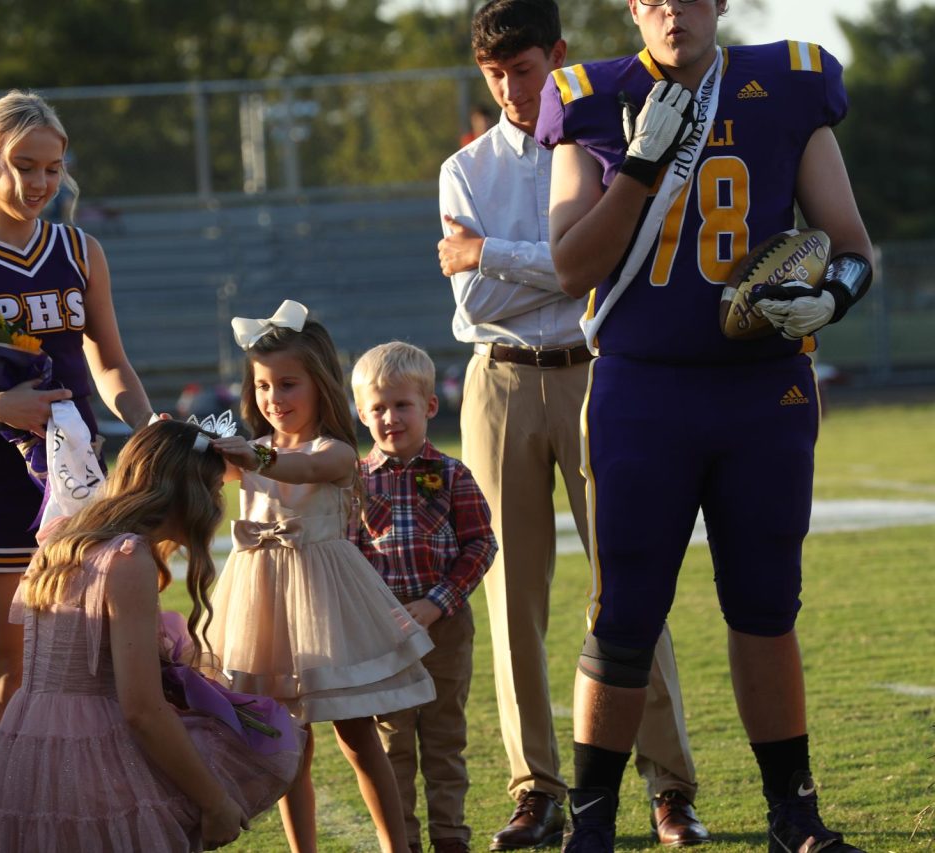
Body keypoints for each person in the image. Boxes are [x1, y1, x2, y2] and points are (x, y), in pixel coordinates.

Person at [537, 1, 875, 850]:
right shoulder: (592, 96)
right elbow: (570, 262)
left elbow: (852, 247)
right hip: (644, 389)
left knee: (766, 605)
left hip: (764, 390)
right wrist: (641, 165)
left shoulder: (787, 85)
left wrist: (829, 296)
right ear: (630, 6)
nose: (671, 12)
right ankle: (592, 823)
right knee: (625, 612)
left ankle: (792, 812)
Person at [437, 1, 707, 848]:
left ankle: (670, 785)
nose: (514, 90)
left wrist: (509, 255)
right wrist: (558, 264)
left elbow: (607, 263)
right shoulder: (464, 169)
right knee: (512, 594)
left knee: (631, 582)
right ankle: (536, 788)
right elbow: (475, 295)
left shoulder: (610, 140)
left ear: (559, 55)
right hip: (500, 383)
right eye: (496, 76)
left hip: (603, 370)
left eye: (525, 69)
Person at [0, 90, 154, 799]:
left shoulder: (79, 249)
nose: (40, 183)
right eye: (23, 166)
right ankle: (0, 823)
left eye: (52, 168)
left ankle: (76, 806)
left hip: (78, 479)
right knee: (6, 670)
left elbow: (108, 362)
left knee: (89, 664)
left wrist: (150, 425)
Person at [0, 419, 304, 852]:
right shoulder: (127, 558)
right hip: (91, 746)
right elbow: (142, 711)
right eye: (212, 490)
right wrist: (215, 801)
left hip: (33, 739)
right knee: (263, 746)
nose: (215, 504)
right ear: (185, 493)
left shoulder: (63, 539)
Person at [205, 300, 435, 853]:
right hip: (260, 603)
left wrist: (252, 460)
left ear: (319, 385)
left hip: (325, 603)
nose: (273, 399)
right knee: (289, 743)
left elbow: (304, 469)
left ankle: (395, 846)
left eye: (288, 385)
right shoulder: (255, 448)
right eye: (263, 387)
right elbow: (219, 469)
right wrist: (188, 445)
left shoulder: (334, 450)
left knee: (357, 736)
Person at [348, 341, 497, 853]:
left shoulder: (453, 475)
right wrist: (376, 614)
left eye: (402, 405)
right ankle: (402, 840)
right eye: (378, 408)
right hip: (383, 634)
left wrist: (439, 602)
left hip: (446, 626)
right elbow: (347, 556)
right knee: (392, 743)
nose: (390, 418)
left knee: (444, 739)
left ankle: (451, 835)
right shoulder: (354, 483)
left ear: (430, 406)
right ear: (361, 414)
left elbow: (481, 542)